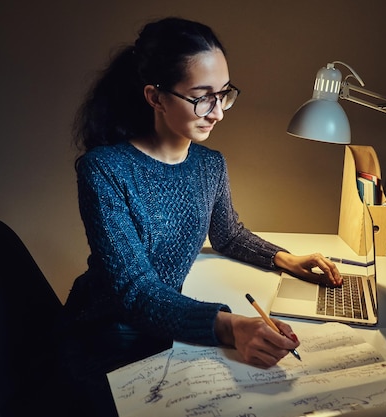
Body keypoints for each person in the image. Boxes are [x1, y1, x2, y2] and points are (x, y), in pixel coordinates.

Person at [60, 16, 341, 416]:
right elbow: (135, 292)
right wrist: (230, 326)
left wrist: (286, 259)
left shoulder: (210, 165)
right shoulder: (104, 170)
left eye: (224, 94)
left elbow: (228, 235)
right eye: (202, 96)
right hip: (110, 340)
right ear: (155, 97)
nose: (218, 112)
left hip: (170, 332)